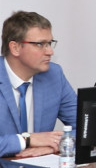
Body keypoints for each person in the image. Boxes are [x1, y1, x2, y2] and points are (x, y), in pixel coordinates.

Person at [0, 11, 76, 158]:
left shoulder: (54, 75)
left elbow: (87, 128)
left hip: (40, 167)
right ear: (15, 48)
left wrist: (54, 145)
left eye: (50, 43)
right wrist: (26, 140)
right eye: (40, 44)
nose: (50, 52)